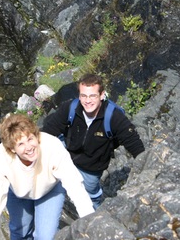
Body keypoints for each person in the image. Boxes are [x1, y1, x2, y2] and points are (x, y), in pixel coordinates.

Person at [0, 114, 94, 240]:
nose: (29, 147)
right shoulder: (1, 159)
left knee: (45, 236)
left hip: (50, 190)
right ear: (12, 148)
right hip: (18, 191)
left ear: (37, 136)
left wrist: (90, 221)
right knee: (19, 233)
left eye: (30, 139)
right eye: (20, 144)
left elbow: (75, 185)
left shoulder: (53, 146)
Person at [41, 73, 145, 209]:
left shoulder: (113, 117)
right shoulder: (71, 108)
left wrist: (147, 169)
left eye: (92, 96)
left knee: (90, 199)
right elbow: (47, 132)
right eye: (83, 96)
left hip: (90, 168)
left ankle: (95, 216)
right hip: (66, 156)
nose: (87, 101)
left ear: (102, 95)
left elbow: (134, 143)